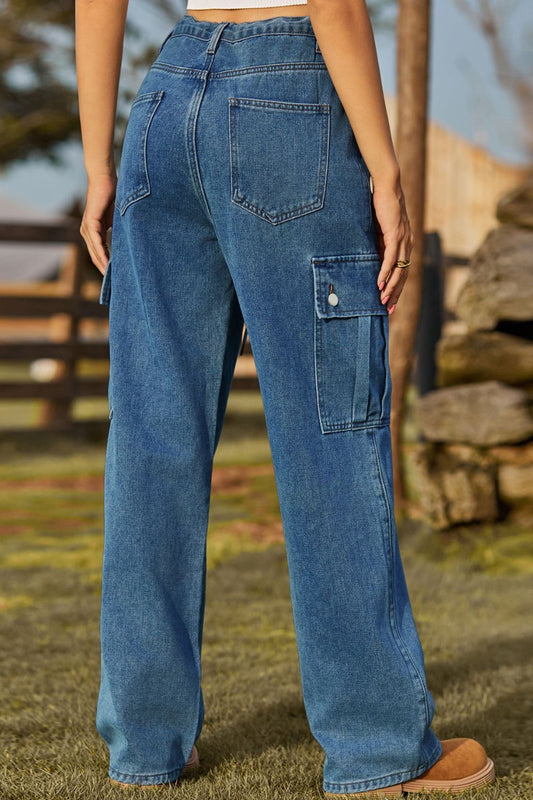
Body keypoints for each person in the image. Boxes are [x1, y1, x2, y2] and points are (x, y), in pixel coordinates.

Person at [76, 0, 495, 795]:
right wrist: (386, 171)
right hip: (290, 96)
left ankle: (145, 743)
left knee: (151, 442)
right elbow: (331, 4)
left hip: (164, 101)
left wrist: (98, 164)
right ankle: (378, 749)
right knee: (329, 436)